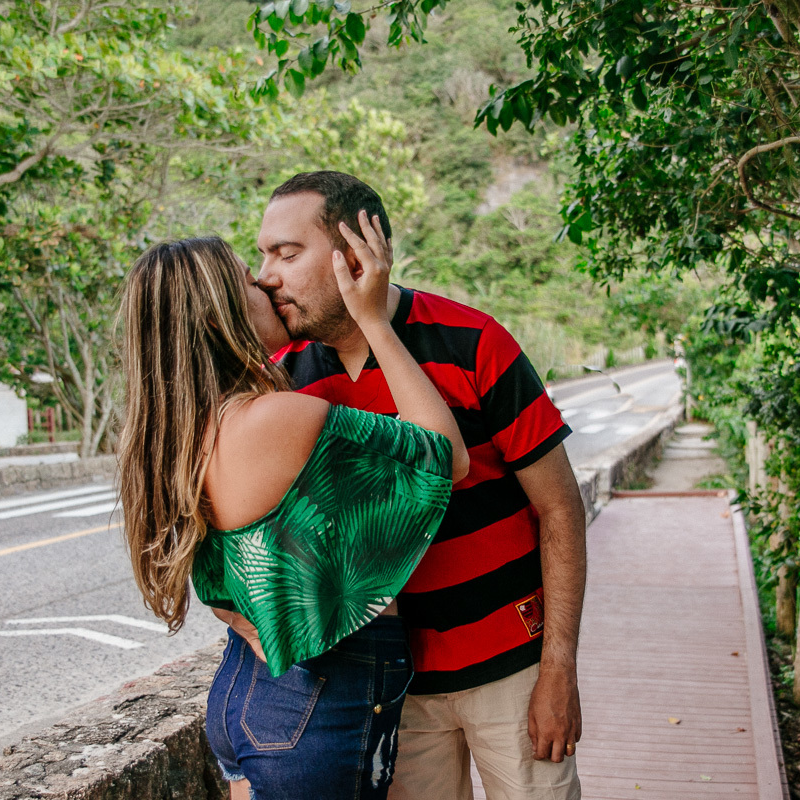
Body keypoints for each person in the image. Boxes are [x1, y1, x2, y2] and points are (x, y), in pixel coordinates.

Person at [246, 170, 588, 800]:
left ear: (355, 256)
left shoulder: (474, 341)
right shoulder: (284, 382)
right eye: (263, 254)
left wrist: (559, 668)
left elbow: (560, 508)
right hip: (391, 689)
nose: (266, 274)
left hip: (512, 668)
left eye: (287, 254)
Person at [114, 228, 470, 800]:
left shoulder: (177, 437)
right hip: (314, 707)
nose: (267, 283)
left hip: (247, 697)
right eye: (248, 281)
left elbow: (222, 582)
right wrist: (376, 322)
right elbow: (446, 456)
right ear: (218, 316)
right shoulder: (276, 419)